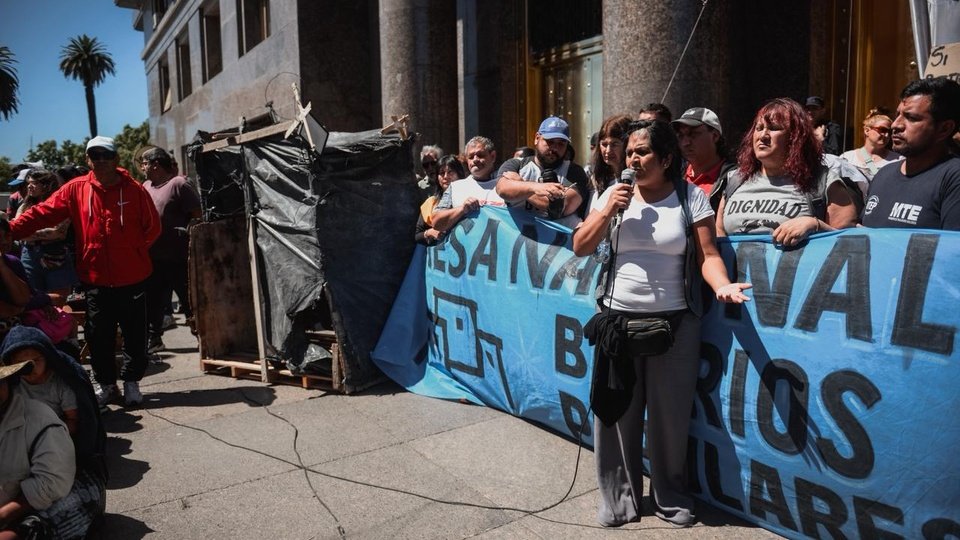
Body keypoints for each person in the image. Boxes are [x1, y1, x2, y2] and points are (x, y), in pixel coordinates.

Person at [572, 120, 751, 528]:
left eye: (642, 151)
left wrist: (721, 286)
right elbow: (581, 245)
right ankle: (619, 499)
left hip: (676, 326)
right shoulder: (610, 194)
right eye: (629, 151)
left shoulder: (693, 198)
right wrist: (605, 211)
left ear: (667, 158)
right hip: (618, 322)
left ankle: (670, 495)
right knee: (617, 413)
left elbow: (708, 255)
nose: (632, 157)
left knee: (670, 417)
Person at [10, 136, 161, 408]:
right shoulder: (75, 189)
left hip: (133, 277)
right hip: (95, 279)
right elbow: (43, 213)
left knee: (135, 334)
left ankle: (131, 383)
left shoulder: (136, 190)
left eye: (106, 155)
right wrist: (9, 231)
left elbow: (153, 228)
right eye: (95, 155)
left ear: (115, 159)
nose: (101, 160)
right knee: (97, 335)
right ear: (88, 160)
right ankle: (107, 385)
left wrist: (133, 252)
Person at [717, 98, 859, 245]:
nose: (762, 136)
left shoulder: (823, 182)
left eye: (773, 128)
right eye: (759, 128)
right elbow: (718, 238)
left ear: (795, 137)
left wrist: (815, 225)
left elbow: (850, 245)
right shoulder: (735, 180)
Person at [862, 77, 960, 229]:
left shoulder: (953, 179)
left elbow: (953, 249)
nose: (895, 125)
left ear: (944, 129)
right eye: (898, 115)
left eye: (912, 118)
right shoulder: (884, 175)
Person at [0, 359, 76, 540]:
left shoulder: (40, 420)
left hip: (22, 513)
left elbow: (51, 482)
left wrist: (3, 515)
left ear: (8, 382)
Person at [141, 147, 201, 353]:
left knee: (189, 301)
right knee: (153, 302)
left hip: (179, 258)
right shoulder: (145, 186)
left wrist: (186, 231)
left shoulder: (179, 184)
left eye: (145, 163)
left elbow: (197, 214)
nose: (142, 167)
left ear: (155, 165)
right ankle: (154, 339)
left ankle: (204, 338)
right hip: (153, 258)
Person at [496, 116, 587, 226]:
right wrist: (536, 188)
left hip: (557, 242)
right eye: (550, 142)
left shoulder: (574, 172)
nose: (554, 148)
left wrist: (521, 185)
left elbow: (561, 207)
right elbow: (503, 189)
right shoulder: (516, 165)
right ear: (537, 138)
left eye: (561, 144)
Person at [15, 170, 78, 306]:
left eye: (35, 183)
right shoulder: (24, 206)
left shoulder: (59, 204)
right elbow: (16, 228)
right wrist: (35, 234)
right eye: (28, 183)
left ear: (47, 185)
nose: (30, 186)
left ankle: (57, 326)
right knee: (33, 297)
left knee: (58, 298)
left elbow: (57, 232)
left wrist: (27, 233)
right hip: (29, 254)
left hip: (54, 254)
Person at [432, 136, 504, 232]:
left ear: (493, 156)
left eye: (480, 155)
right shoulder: (455, 187)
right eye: (471, 157)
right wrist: (462, 209)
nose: (475, 160)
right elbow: (436, 222)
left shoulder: (506, 184)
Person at [672, 107, 737, 211]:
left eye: (693, 134)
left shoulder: (734, 178)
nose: (685, 143)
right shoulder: (672, 175)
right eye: (680, 136)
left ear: (715, 136)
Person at [840, 108, 903, 180]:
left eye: (889, 132)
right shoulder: (848, 158)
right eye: (882, 130)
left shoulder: (898, 160)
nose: (886, 135)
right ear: (867, 131)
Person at [415, 155, 465, 246]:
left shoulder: (468, 200)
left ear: (459, 174)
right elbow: (417, 235)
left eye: (450, 172)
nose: (446, 177)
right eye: (442, 173)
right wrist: (430, 232)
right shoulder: (431, 203)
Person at [587, 115, 632, 208]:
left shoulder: (635, 181)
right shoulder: (595, 179)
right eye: (604, 144)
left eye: (614, 144)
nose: (608, 150)